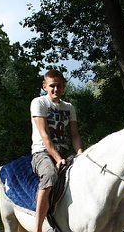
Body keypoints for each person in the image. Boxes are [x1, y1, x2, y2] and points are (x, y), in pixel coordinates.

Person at [30, 69, 83, 232]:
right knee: (50, 175)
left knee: (84, 171)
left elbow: (74, 135)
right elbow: (45, 136)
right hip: (42, 152)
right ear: (44, 86)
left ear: (64, 87)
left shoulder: (69, 107)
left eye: (59, 86)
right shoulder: (38, 103)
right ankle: (38, 228)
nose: (55, 89)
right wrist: (58, 158)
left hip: (65, 150)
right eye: (52, 86)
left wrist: (81, 153)